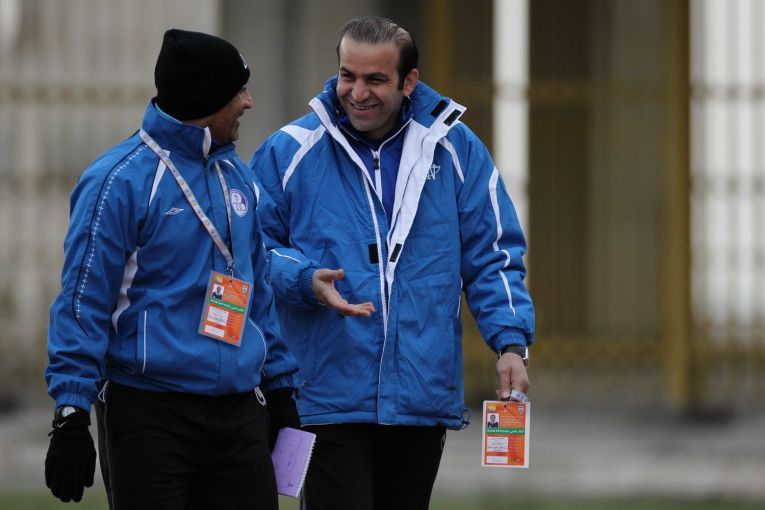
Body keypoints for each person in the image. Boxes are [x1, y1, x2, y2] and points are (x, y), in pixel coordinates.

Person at [250, 15, 535, 510]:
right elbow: (252, 248)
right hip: (325, 393)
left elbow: (494, 254)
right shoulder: (290, 149)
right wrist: (305, 279)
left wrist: (510, 342)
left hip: (419, 395)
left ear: (409, 82)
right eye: (348, 76)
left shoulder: (457, 149)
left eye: (375, 79)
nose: (357, 93)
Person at [44, 28, 300, 509]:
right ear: (206, 100)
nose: (248, 102)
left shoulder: (237, 176)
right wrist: (71, 412)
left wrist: (280, 387)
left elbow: (258, 290)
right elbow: (83, 303)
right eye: (238, 91)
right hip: (150, 413)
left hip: (239, 412)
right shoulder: (117, 182)